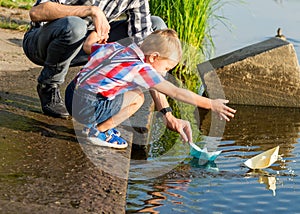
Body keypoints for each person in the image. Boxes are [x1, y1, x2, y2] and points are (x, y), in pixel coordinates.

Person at [65, 29, 236, 149]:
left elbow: (89, 45)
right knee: (138, 98)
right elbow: (176, 92)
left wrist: (98, 32)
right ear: (154, 57)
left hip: (70, 95)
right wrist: (211, 104)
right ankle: (97, 132)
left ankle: (98, 124)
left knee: (121, 87)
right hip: (86, 107)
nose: (165, 73)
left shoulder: (118, 48)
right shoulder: (141, 68)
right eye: (167, 68)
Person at [22, 0, 167, 119]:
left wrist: (166, 112)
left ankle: (98, 89)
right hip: (43, 43)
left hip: (86, 45)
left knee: (155, 27)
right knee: (76, 26)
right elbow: (36, 12)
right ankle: (49, 85)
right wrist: (91, 10)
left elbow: (147, 54)